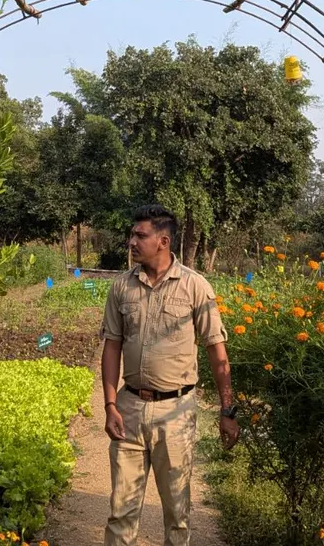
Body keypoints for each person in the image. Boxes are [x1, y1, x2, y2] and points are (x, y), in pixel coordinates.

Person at [100, 204, 239, 546]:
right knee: (121, 513)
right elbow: (112, 346)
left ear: (163, 241)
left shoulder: (195, 287)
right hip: (129, 409)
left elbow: (216, 351)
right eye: (131, 234)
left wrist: (227, 410)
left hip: (175, 413)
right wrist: (110, 405)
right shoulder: (121, 288)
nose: (131, 241)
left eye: (140, 235)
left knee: (177, 515)